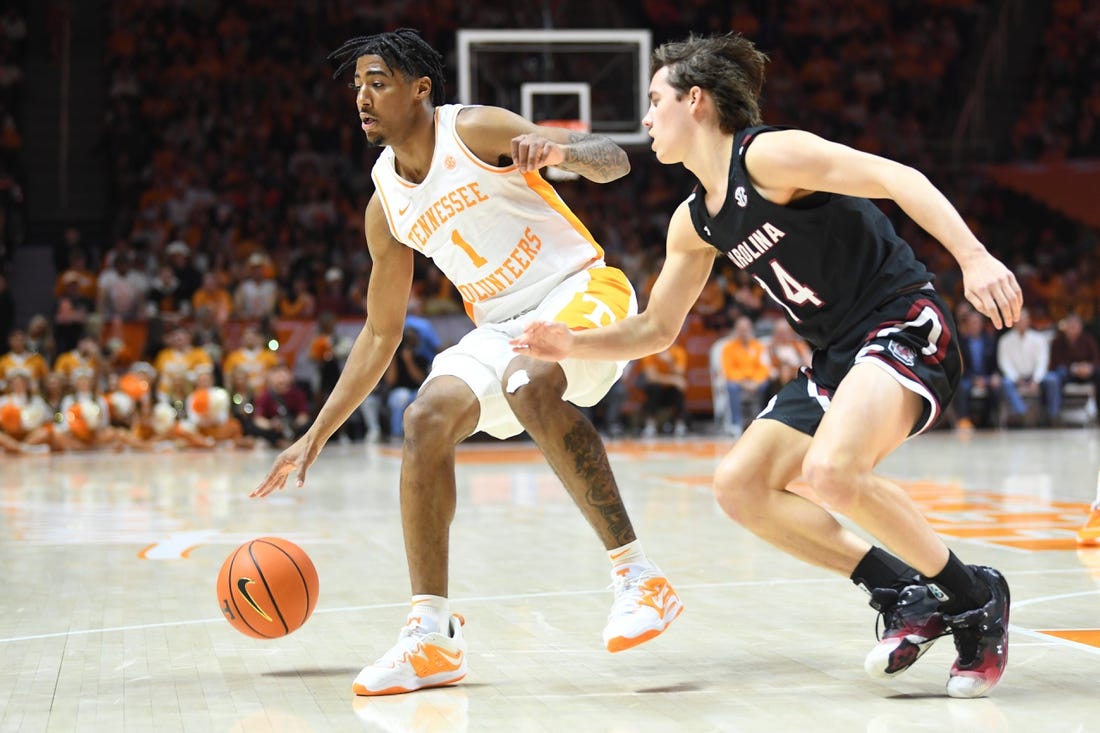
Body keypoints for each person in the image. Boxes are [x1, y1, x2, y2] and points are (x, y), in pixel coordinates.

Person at [513, 33, 1019, 699]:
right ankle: (902, 590)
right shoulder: (693, 221)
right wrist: (571, 343)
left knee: (831, 473)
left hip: (901, 321)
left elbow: (900, 178)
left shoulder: (772, 156)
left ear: (695, 102)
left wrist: (973, 255)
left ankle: (975, 597)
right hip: (836, 354)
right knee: (739, 486)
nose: (644, 117)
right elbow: (656, 328)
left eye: (654, 100)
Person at [251, 28, 682, 697]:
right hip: (502, 326)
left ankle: (639, 577)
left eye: (378, 82)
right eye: (357, 85)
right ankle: (431, 636)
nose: (361, 97)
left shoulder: (475, 129)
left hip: (582, 289)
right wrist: (316, 433)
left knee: (529, 376)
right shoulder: (385, 203)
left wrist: (562, 147)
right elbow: (378, 334)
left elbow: (612, 161)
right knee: (426, 417)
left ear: (421, 90)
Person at [996, 307, 1059, 426]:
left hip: (1035, 377)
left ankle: (1052, 416)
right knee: (1005, 383)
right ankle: (1022, 413)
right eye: (1018, 319)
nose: (1021, 322)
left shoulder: (1039, 339)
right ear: (1013, 321)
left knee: (1053, 380)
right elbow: (1004, 363)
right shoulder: (1005, 340)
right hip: (1016, 378)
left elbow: (1042, 361)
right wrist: (1017, 379)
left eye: (1024, 319)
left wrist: (1036, 380)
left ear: (1029, 321)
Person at [719, 314, 771, 437]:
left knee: (766, 385)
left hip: (755, 381)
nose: (744, 332)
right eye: (741, 329)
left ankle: (761, 421)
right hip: (738, 382)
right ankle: (736, 424)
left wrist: (755, 382)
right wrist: (743, 382)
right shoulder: (728, 348)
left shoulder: (758, 346)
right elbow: (728, 369)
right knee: (731, 387)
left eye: (746, 329)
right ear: (736, 330)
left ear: (751, 329)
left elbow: (764, 367)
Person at [1048, 312, 1100, 423]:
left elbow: (1096, 358)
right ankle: (1054, 415)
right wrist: (1074, 368)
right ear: (1066, 327)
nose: (1073, 328)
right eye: (1070, 326)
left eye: (1076, 325)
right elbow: (1055, 362)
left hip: (1087, 373)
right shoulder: (1057, 342)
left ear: (1080, 327)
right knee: (1054, 377)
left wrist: (1089, 367)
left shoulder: (1088, 340)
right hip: (1067, 373)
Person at [954, 309, 1002, 429]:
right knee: (962, 387)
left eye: (977, 322)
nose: (974, 325)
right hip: (969, 377)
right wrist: (974, 379)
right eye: (972, 322)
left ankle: (990, 419)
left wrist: (995, 375)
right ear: (968, 325)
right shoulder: (961, 343)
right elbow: (960, 366)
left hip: (987, 377)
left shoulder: (990, 341)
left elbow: (996, 363)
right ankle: (964, 419)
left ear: (981, 324)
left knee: (996, 388)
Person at [638, 340, 689, 437]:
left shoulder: (678, 352)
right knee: (654, 388)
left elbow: (680, 374)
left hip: (670, 391)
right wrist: (672, 380)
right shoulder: (650, 352)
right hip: (656, 389)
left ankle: (680, 424)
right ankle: (650, 424)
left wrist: (670, 362)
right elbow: (651, 377)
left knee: (679, 390)